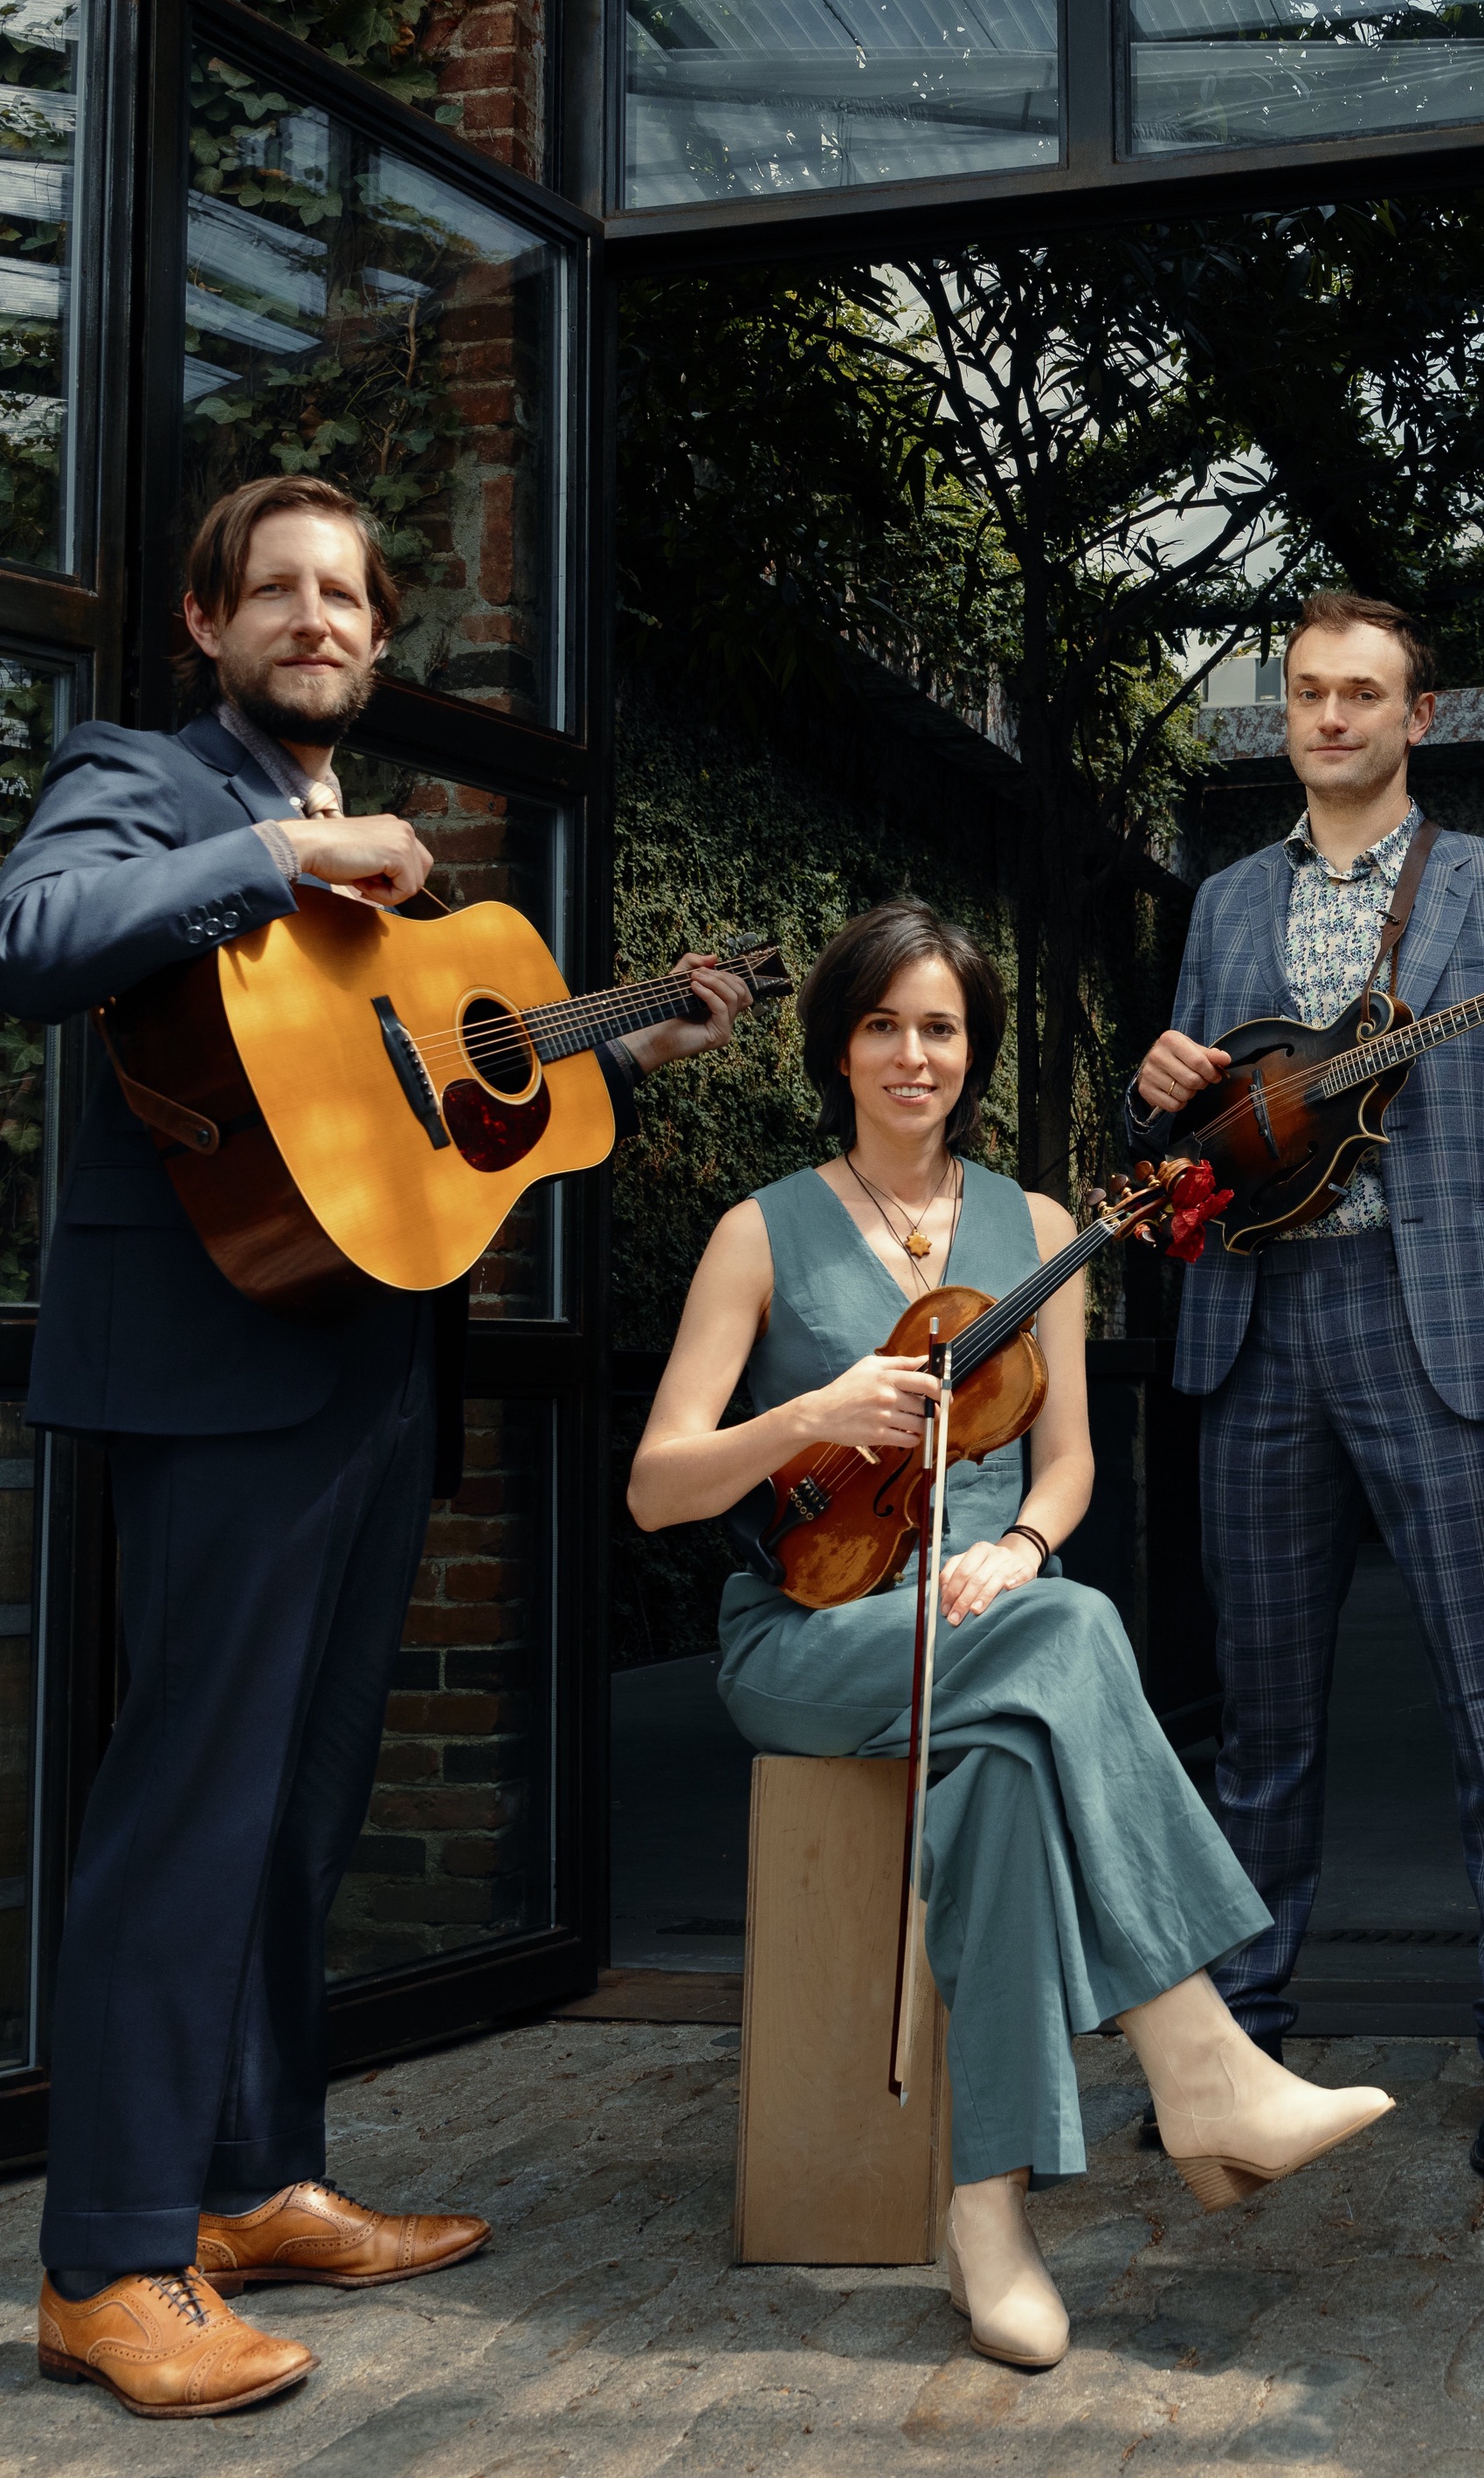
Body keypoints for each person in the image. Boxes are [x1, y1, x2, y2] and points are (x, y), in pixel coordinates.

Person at [4, 474, 755, 2419]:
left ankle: (253, 2182)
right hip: (211, 1369)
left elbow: (415, 1098)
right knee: (188, 1808)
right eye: (279, 591)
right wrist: (273, 850)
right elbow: (31, 932)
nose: (317, 619)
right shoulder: (152, 782)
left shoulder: (390, 876)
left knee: (301, 1808)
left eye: (346, 595)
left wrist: (622, 1043)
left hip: (369, 1369)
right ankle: (106, 2262)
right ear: (208, 622)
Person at [630, 900, 1393, 2372]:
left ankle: (988, 2219)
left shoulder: (1041, 1229)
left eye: (940, 1028)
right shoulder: (758, 1232)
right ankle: (1203, 2066)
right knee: (1076, 1629)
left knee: (1005, 1759)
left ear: (973, 1052)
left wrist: (1023, 1546)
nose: (912, 1056)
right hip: (812, 1638)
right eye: (882, 1026)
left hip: (988, 1617)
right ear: (836, 1048)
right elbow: (659, 1487)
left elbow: (1070, 1464)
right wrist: (809, 1414)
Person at [1125, 590, 1484, 2184]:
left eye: (1362, 695)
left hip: (1438, 1328)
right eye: (1308, 694)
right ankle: (1238, 2045)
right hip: (1256, 1329)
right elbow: (1199, 1146)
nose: (1330, 718)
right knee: (1262, 1725)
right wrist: (1157, 1093)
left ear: (1420, 716)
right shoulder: (1224, 901)